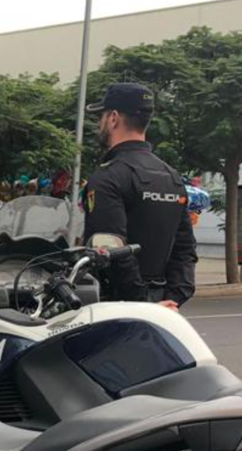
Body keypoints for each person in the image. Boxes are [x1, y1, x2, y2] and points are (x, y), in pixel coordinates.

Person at [83, 83, 197, 309]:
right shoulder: (172, 177)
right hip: (163, 308)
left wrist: (142, 303)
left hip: (117, 307)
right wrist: (173, 298)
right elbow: (185, 249)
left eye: (102, 116)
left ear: (113, 118)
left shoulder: (108, 177)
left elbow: (111, 250)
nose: (99, 124)